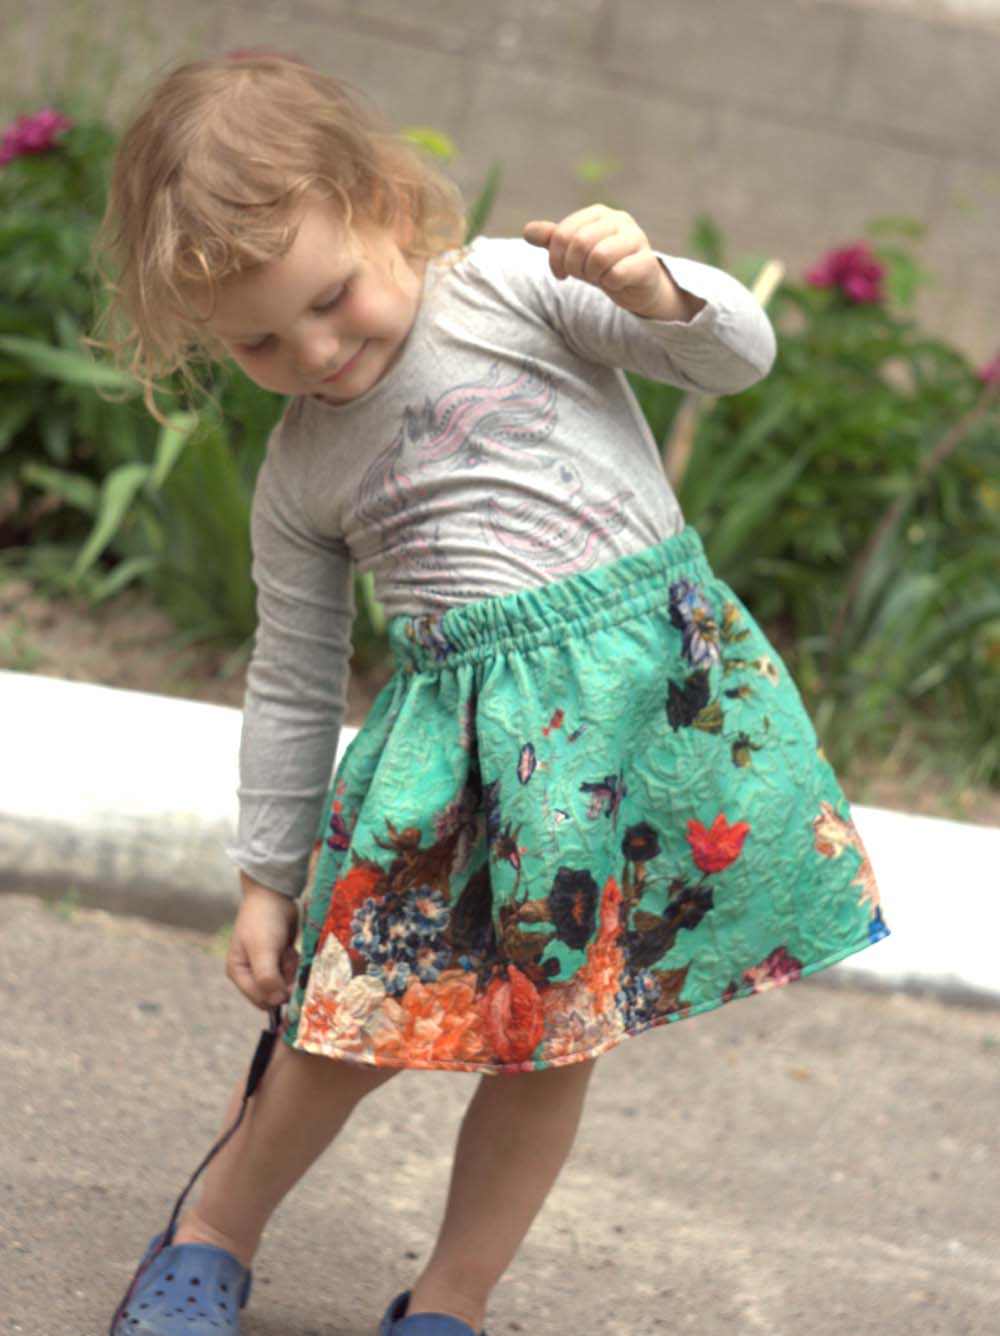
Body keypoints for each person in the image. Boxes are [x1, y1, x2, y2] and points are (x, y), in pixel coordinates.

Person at [99, 51, 888, 1336]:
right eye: (258, 341)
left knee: (553, 1047)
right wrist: (264, 879)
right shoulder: (301, 476)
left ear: (383, 207)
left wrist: (653, 285)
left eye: (331, 297)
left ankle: (449, 1303)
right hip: (455, 775)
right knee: (344, 1035)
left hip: (627, 747)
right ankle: (211, 1233)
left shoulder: (520, 290)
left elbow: (734, 358)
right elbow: (291, 678)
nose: (315, 352)